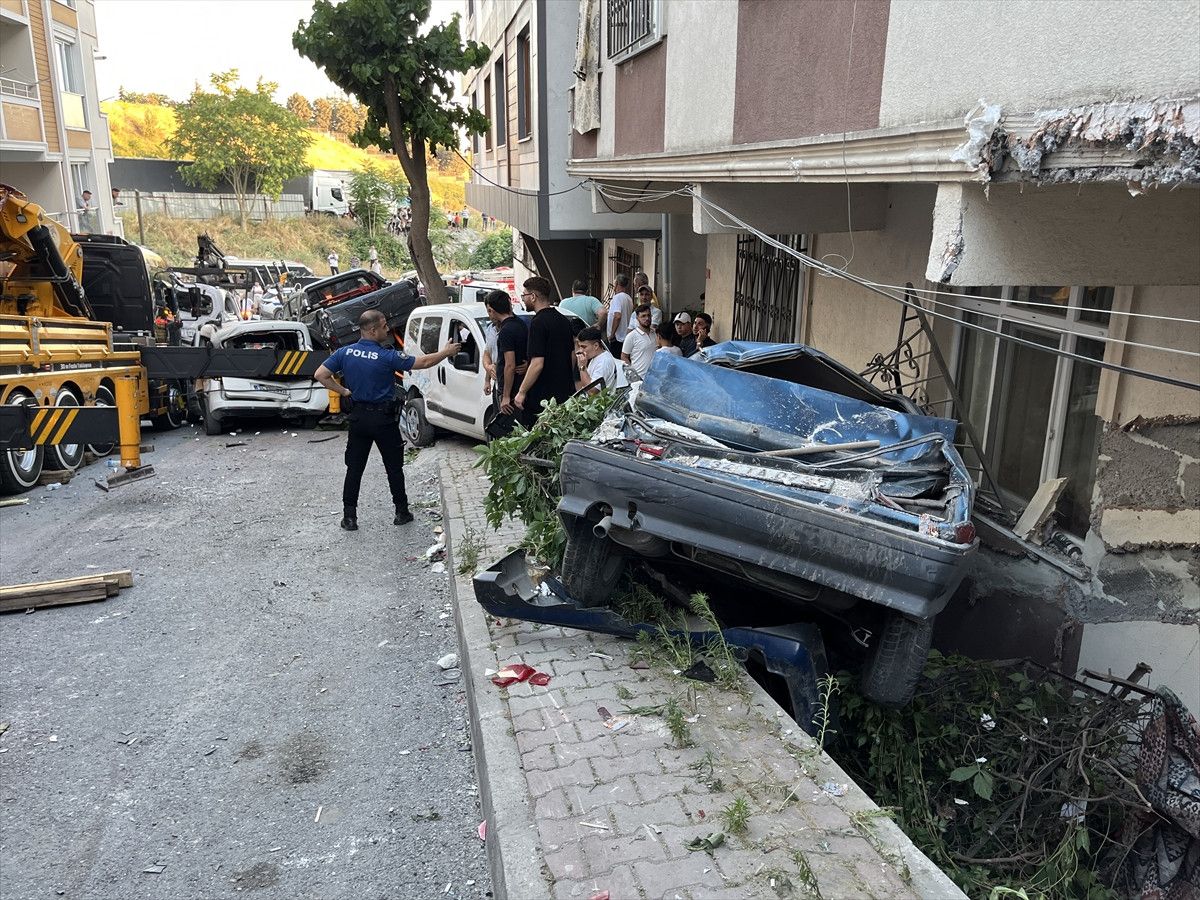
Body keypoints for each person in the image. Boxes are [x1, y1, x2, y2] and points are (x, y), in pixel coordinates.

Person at [314, 309, 460, 531]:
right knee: (394, 468)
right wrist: (446, 352)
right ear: (373, 330)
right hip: (383, 420)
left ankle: (349, 517)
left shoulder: (345, 352)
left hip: (359, 418)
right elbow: (423, 362)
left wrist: (343, 391)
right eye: (384, 326)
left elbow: (320, 374)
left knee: (354, 469)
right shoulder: (387, 356)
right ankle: (401, 512)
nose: (387, 329)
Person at [515, 276, 575, 429]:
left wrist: (522, 392)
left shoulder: (538, 323)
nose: (523, 299)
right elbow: (572, 355)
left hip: (542, 399)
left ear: (533, 296)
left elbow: (537, 363)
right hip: (564, 394)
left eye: (524, 295)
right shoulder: (563, 320)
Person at [487, 290, 528, 438]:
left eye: (489, 311)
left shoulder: (506, 331)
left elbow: (509, 365)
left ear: (491, 310)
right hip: (522, 385)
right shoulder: (521, 324)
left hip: (511, 390)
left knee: (507, 433)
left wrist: (505, 396)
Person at [575, 326, 626, 392]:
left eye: (584, 347)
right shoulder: (596, 357)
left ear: (596, 345)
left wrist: (582, 368)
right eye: (579, 346)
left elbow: (592, 391)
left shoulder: (603, 362)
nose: (580, 350)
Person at [621, 304, 657, 378]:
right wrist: (633, 375)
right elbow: (624, 357)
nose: (647, 318)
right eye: (643, 316)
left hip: (655, 377)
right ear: (637, 318)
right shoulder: (631, 336)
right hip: (640, 378)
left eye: (649, 315)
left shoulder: (656, 334)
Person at [606, 273, 633, 359]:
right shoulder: (629, 298)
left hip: (617, 338)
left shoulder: (617, 297)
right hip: (626, 337)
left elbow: (617, 316)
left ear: (617, 283)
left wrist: (612, 334)